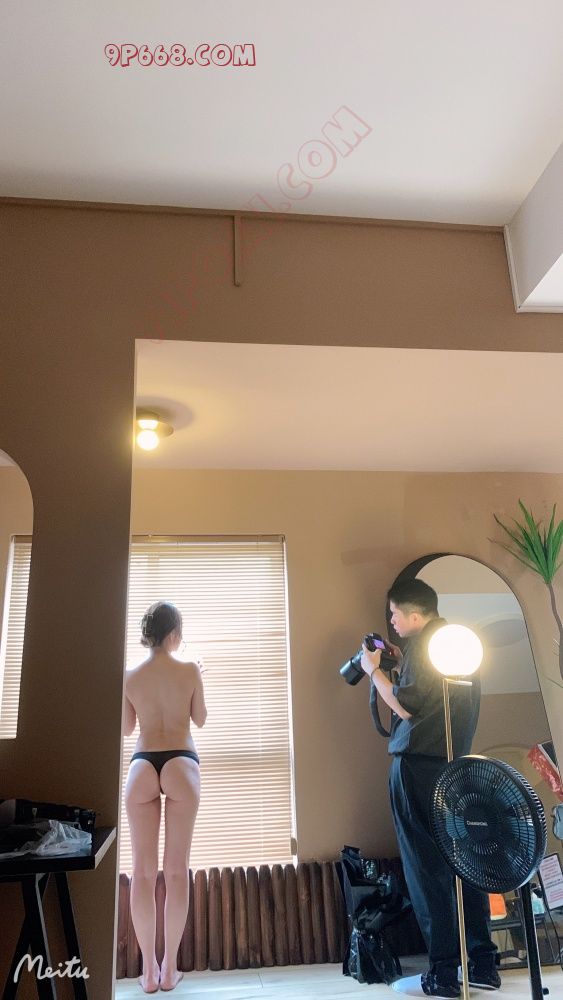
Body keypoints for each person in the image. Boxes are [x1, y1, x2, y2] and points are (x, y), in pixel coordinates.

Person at [361, 578, 500, 1000]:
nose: (392, 621)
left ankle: (442, 972)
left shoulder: (426, 647)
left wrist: (374, 671)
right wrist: (403, 662)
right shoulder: (457, 644)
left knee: (426, 869)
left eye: (395, 614)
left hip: (418, 768)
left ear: (415, 615)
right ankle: (483, 963)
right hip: (456, 767)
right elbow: (437, 702)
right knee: (466, 863)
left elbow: (406, 706)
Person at [123, 601, 207, 993]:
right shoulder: (189, 669)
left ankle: (148, 972)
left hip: (142, 764)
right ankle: (170, 969)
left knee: (142, 872)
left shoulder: (130, 675)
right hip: (181, 762)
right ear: (174, 633)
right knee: (176, 871)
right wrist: (197, 678)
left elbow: (127, 728)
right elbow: (200, 719)